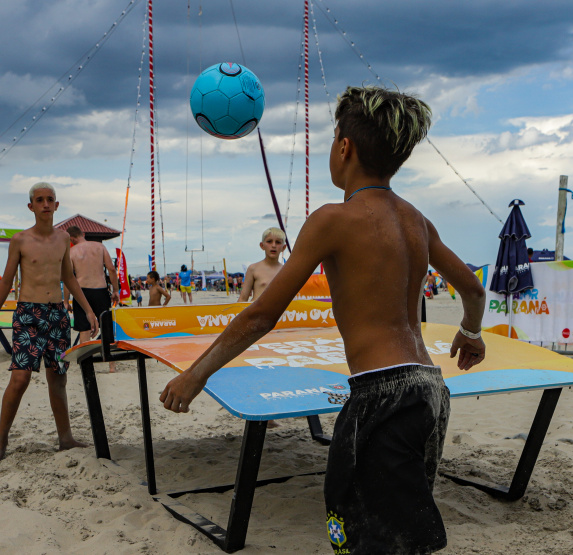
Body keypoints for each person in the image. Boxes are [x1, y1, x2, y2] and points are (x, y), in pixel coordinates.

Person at [160, 86, 486, 554]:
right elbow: (473, 290)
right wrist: (471, 333)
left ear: (344, 147)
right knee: (400, 531)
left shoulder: (333, 219)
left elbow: (261, 314)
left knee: (358, 535)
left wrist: (195, 374)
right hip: (430, 389)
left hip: (381, 394)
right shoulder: (416, 219)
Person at [0, 182, 99, 465]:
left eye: (50, 199)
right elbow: (7, 281)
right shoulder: (20, 240)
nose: (45, 204)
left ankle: (65, 438)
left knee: (57, 377)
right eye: (39, 200)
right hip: (27, 315)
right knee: (19, 378)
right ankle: (1, 441)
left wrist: (88, 310)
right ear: (31, 206)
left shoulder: (62, 240)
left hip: (57, 315)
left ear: (57, 206)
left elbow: (68, 278)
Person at [64, 226, 119, 371]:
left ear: (71, 239)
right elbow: (112, 269)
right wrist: (116, 290)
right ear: (83, 234)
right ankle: (111, 364)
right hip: (100, 290)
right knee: (106, 327)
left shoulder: (71, 252)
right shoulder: (100, 247)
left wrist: (65, 300)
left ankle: (86, 364)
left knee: (84, 329)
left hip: (81, 292)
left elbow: (69, 279)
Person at [237, 228, 286, 302]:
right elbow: (243, 298)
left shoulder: (285, 271)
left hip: (277, 312)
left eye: (278, 242)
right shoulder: (253, 269)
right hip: (256, 311)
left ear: (283, 247)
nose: (273, 245)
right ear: (262, 245)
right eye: (269, 241)